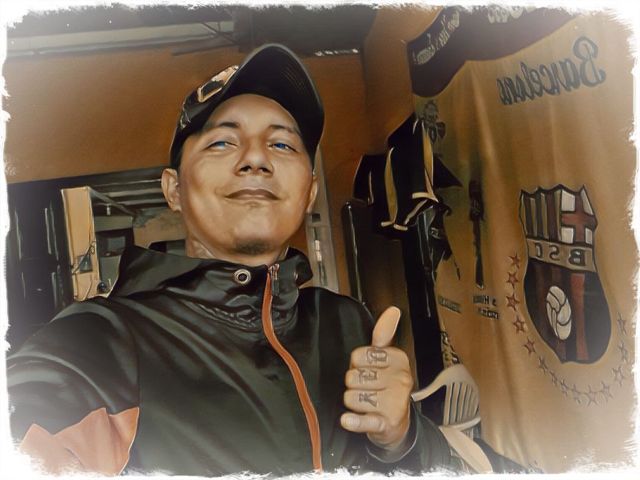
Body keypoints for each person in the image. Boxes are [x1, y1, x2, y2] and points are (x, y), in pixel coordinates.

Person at [7, 44, 453, 476]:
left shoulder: (347, 324)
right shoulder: (103, 344)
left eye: (282, 145)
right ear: (174, 189)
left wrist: (401, 439)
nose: (256, 158)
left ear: (309, 192)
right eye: (221, 142)